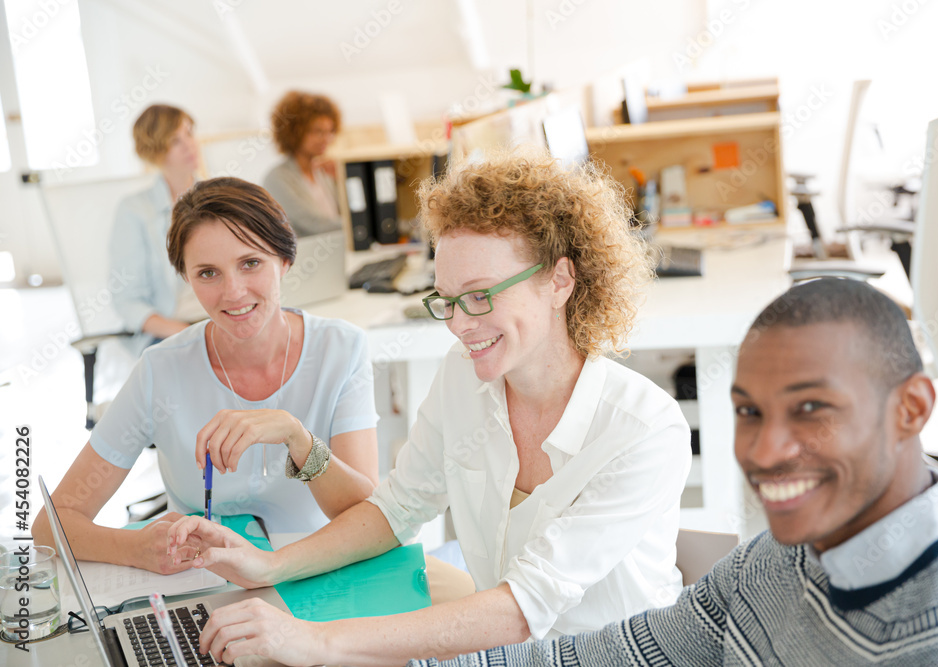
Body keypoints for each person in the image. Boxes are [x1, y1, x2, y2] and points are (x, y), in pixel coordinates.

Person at [167, 148, 693, 666]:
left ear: (559, 281)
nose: (461, 325)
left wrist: (315, 641)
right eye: (446, 299)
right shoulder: (464, 375)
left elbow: (523, 607)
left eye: (481, 295)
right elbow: (396, 510)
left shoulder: (645, 431)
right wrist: (269, 567)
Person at [410, 278, 938, 667]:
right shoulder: (775, 560)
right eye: (749, 412)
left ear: (912, 408)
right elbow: (615, 653)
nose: (766, 451)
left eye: (812, 409)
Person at [33, 178, 380, 575]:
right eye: (208, 273)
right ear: (186, 278)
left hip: (316, 574)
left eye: (250, 263)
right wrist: (134, 547)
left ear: (284, 261)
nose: (233, 292)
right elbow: (50, 525)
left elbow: (366, 514)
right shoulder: (159, 371)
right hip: (205, 586)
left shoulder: (342, 350)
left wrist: (295, 437)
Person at [110, 104, 203, 352]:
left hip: (219, 320)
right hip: (172, 332)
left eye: (189, 134)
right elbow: (128, 301)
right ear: (156, 151)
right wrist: (186, 333)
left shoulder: (219, 197)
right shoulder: (134, 210)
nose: (189, 145)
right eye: (175, 141)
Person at [263, 90, 343, 237]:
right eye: (318, 131)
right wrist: (358, 226)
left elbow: (347, 212)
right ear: (295, 132)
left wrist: (342, 180)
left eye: (329, 131)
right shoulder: (277, 178)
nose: (326, 139)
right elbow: (310, 223)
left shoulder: (324, 173)